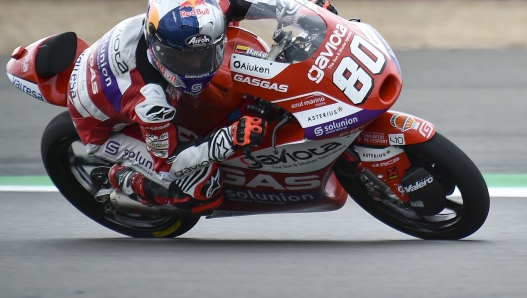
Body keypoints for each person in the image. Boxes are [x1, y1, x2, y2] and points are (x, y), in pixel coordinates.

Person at [67, 0, 338, 215]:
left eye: (205, 53)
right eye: (184, 58)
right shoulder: (152, 103)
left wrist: (307, 12)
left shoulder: (197, 15)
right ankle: (123, 178)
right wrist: (227, 139)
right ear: (159, 50)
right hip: (105, 127)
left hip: (115, 75)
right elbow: (169, 162)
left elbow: (251, 4)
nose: (198, 65)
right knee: (201, 191)